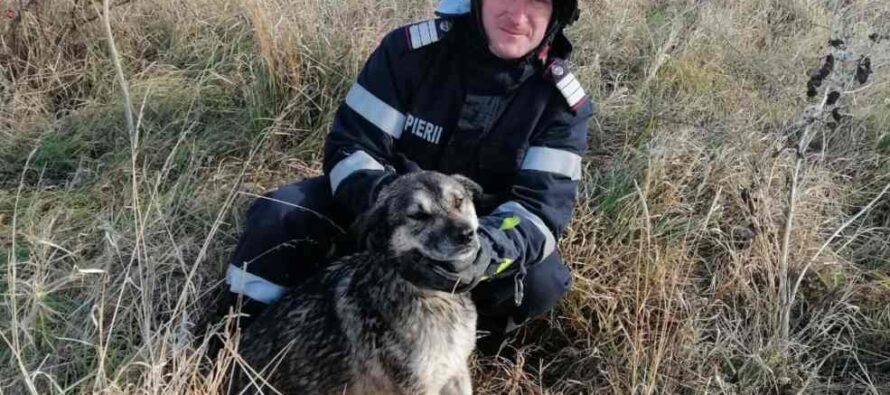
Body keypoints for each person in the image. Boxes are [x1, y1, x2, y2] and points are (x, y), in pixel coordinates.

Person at [224, 0, 593, 337]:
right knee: (283, 215)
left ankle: (453, 339)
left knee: (540, 282)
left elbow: (537, 213)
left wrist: (482, 255)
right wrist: (391, 213)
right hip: (377, 215)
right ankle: (238, 330)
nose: (516, 15)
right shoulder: (408, 52)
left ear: (558, 13)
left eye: (537, 1)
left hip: (472, 245)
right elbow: (352, 149)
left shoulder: (562, 105)